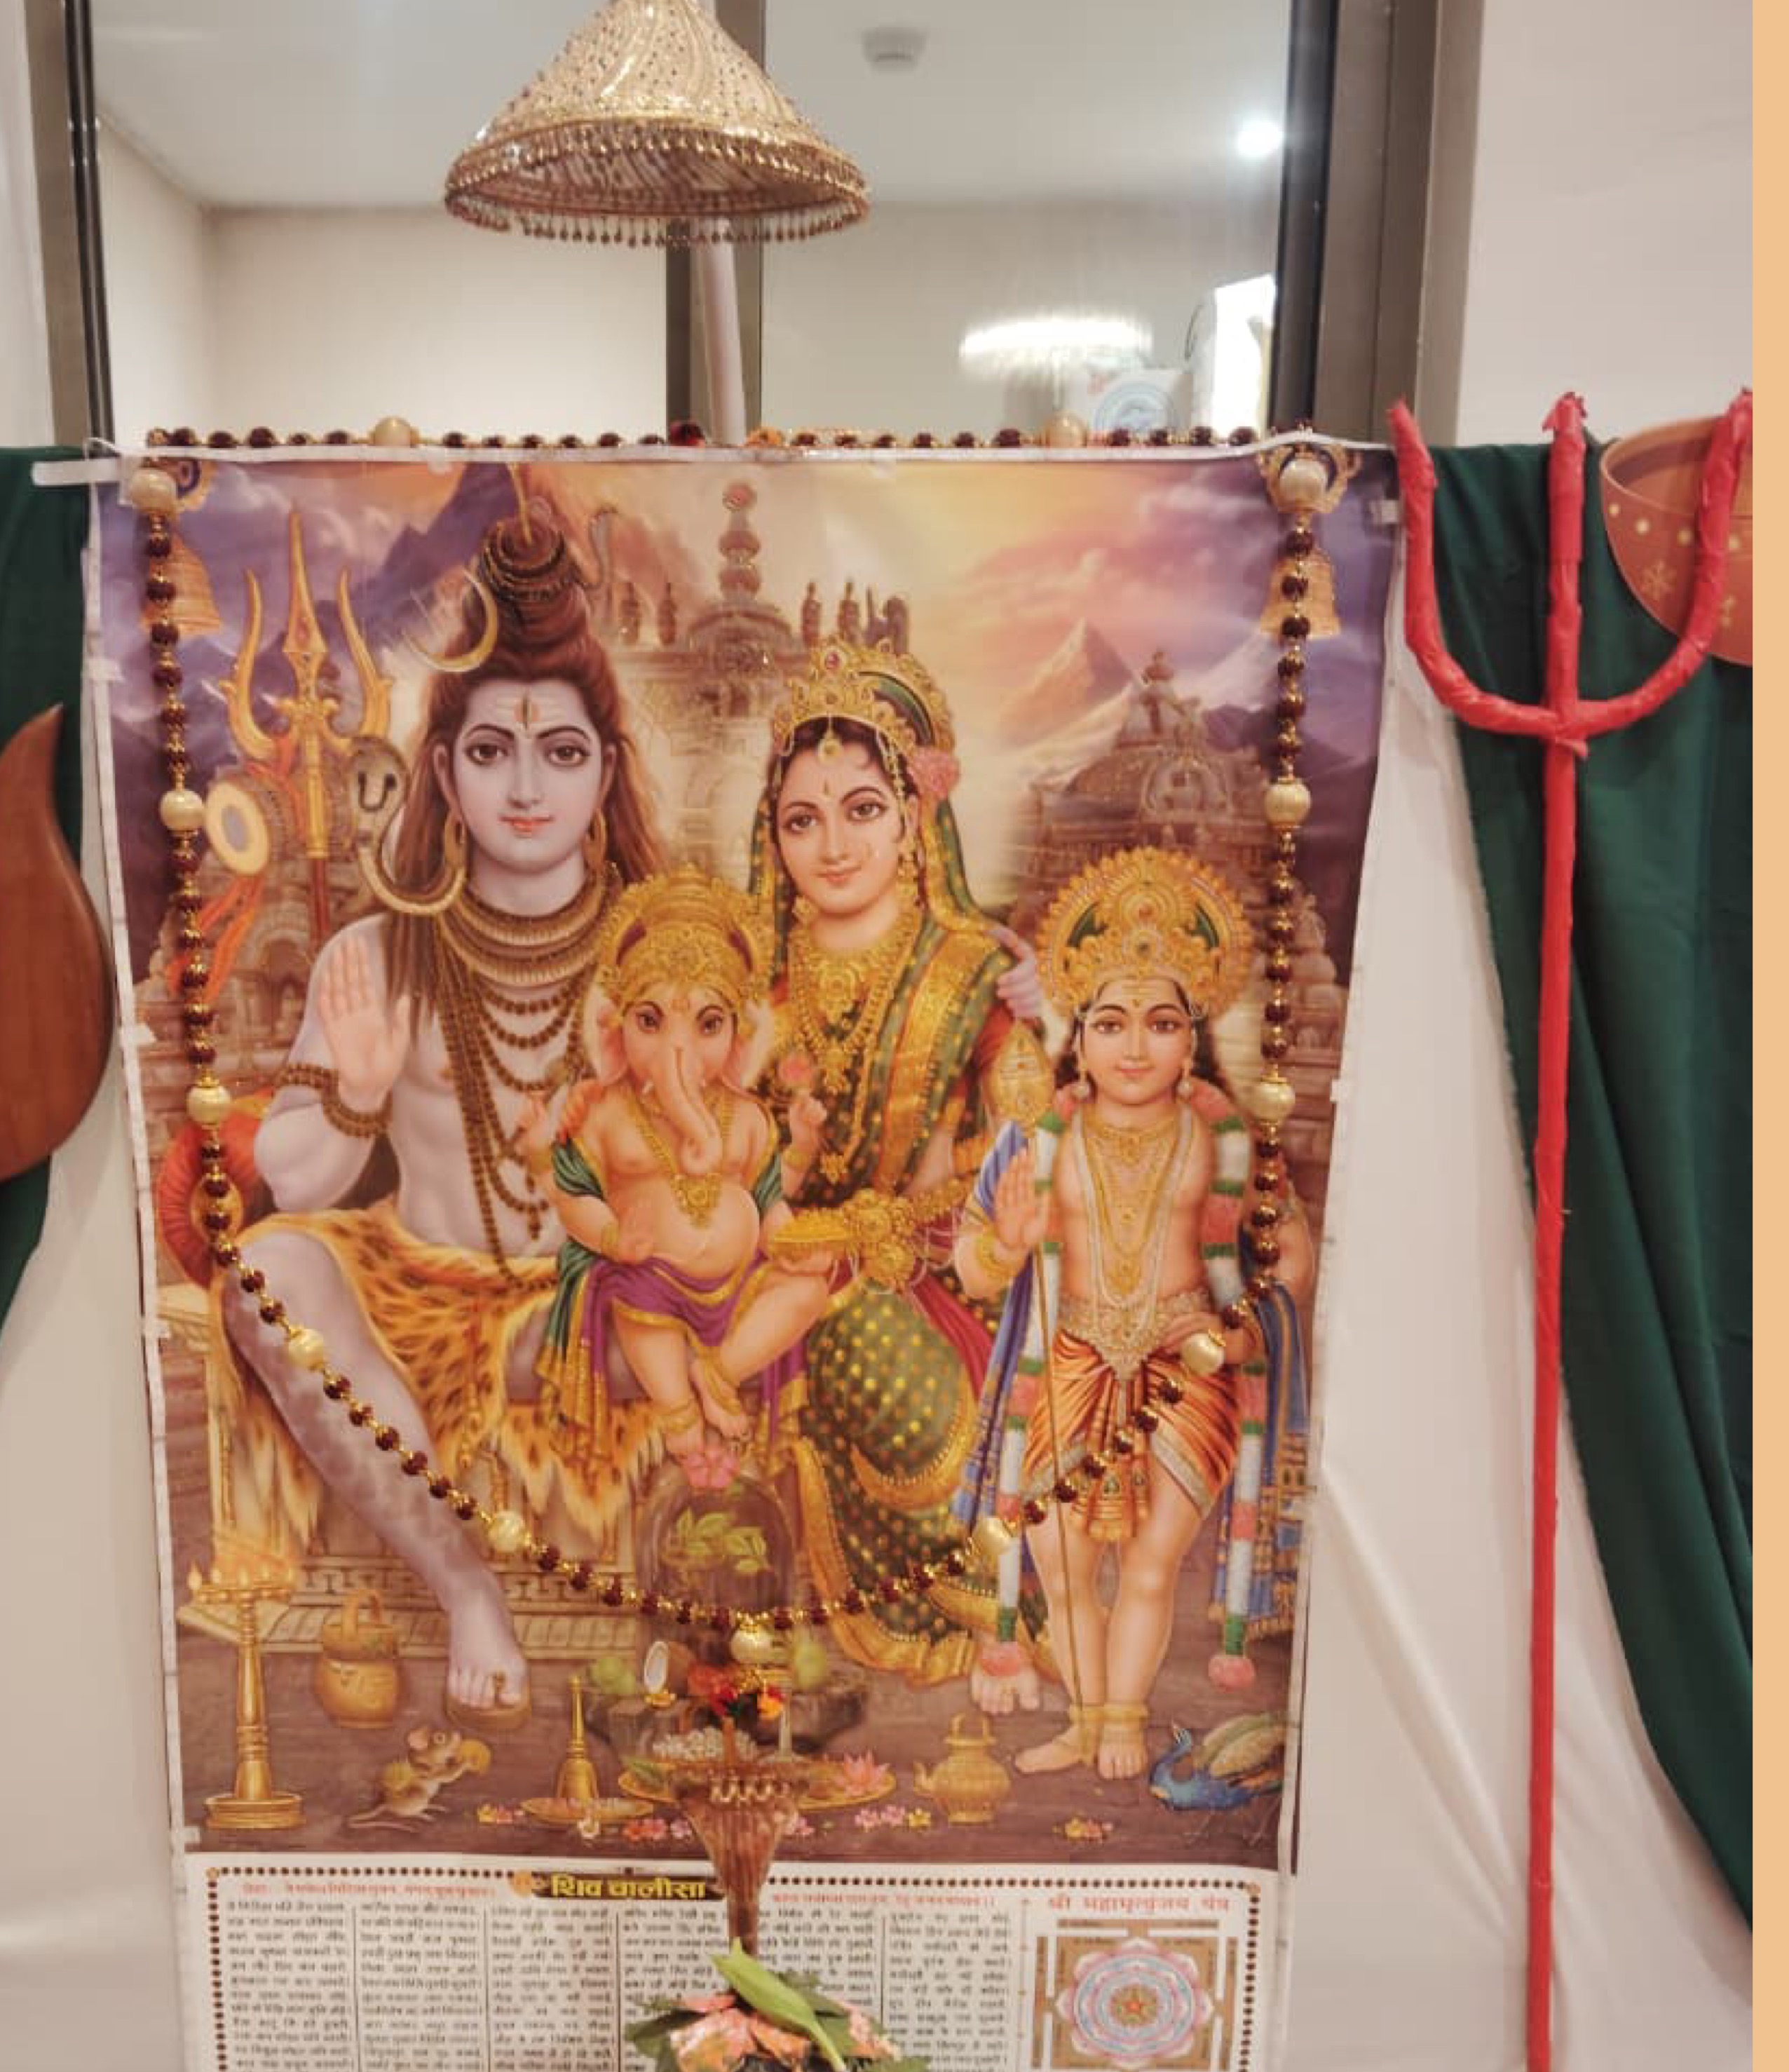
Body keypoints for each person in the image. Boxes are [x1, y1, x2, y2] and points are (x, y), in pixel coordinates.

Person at [217, 501, 665, 1732]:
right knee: (266, 1277)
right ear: (447, 774)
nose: (525, 788)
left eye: (561, 754)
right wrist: (358, 1097)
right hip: (418, 1296)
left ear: (606, 773)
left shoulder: (657, 953)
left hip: (593, 1310)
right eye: (491, 752)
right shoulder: (376, 954)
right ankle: (467, 1586)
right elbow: (297, 1186)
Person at [951, 845, 1314, 1778]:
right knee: (1059, 1558)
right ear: (1079, 1036)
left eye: (1162, 1023)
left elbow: (1292, 1256)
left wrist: (1243, 1323)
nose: (1136, 1047)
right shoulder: (1035, 1140)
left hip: (1187, 1365)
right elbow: (973, 1268)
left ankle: (1124, 1721)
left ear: (1193, 1040)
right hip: (1069, 1361)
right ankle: (1086, 1720)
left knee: (1151, 1563)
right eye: (1111, 1024)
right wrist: (1006, 1243)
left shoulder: (1227, 1141)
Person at [743, 639, 1045, 1684]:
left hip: (940, 1267)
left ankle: (985, 1605)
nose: (832, 846)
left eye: (863, 809)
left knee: (881, 1348)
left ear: (915, 818)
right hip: (775, 1255)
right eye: (802, 820)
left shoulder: (973, 973)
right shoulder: (754, 981)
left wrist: (949, 1222)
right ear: (773, 835)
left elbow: (1027, 1139)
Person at [524, 868, 832, 1489]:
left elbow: (770, 1202)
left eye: (708, 1025)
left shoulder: (747, 1116)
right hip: (648, 1274)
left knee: (807, 1291)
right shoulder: (609, 1114)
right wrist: (614, 1239)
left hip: (738, 1281)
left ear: (739, 1035)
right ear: (617, 1028)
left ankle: (719, 1373)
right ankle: (678, 1409)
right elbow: (573, 1197)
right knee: (636, 1306)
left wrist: (794, 1238)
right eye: (652, 1022)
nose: (679, 1049)